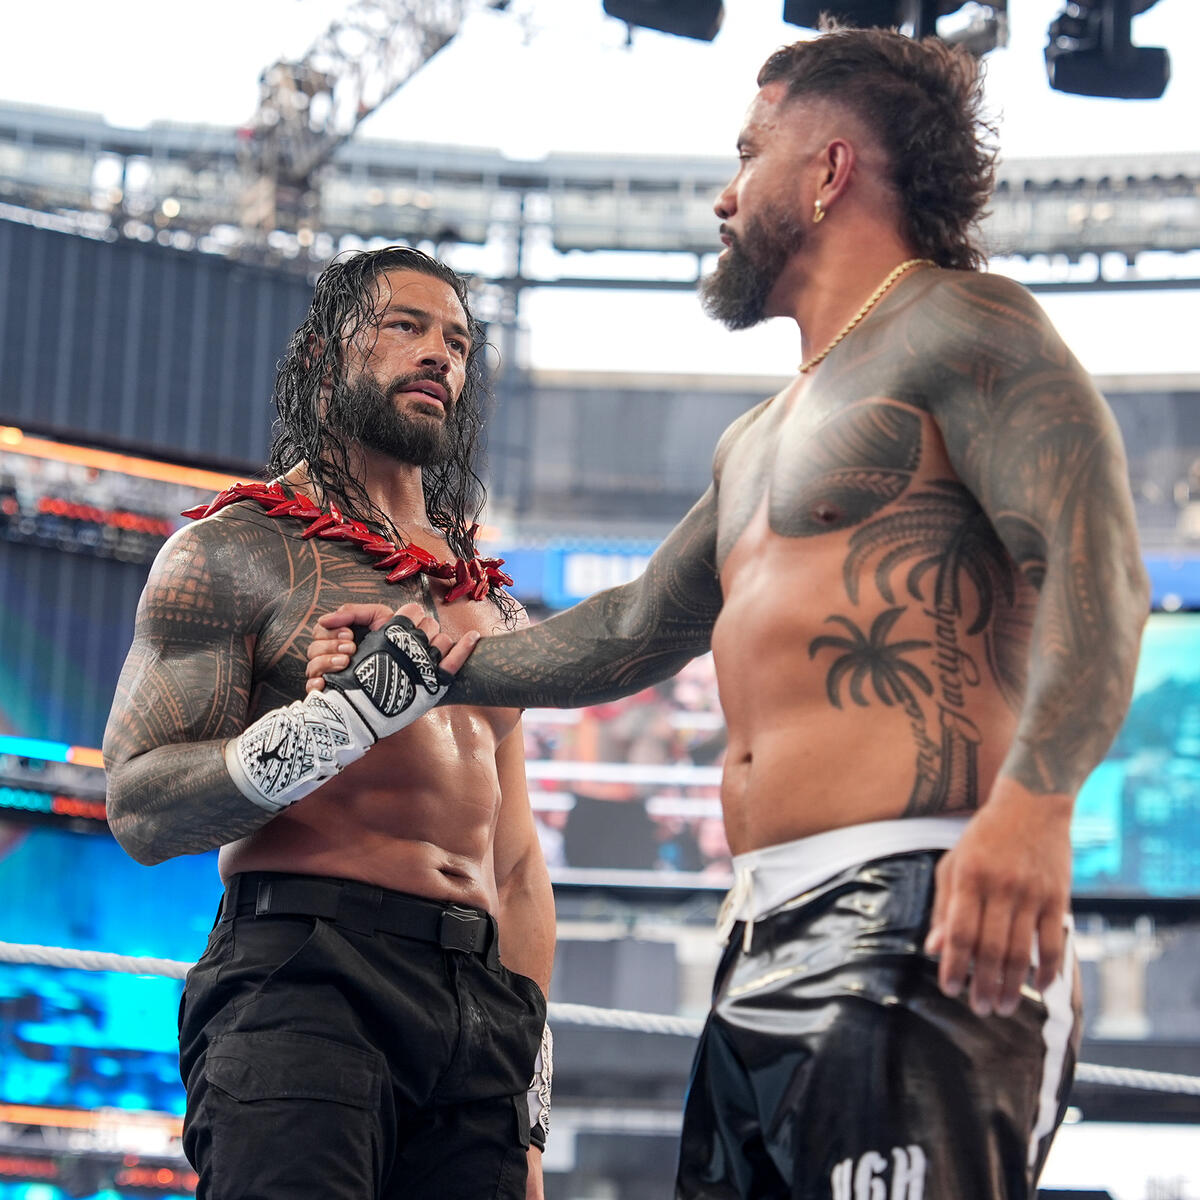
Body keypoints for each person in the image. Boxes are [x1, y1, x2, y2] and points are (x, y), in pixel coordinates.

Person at [305, 26, 1150, 1200]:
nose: (724, 193)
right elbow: (633, 627)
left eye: (750, 152)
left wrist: (1035, 813)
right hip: (758, 935)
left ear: (830, 170)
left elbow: (1099, 572)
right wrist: (440, 660)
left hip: (921, 910)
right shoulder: (757, 437)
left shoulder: (972, 328)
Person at [103, 246, 555, 1200]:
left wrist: (531, 1114)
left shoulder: (489, 604)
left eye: (457, 341)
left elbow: (516, 869)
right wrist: (333, 726)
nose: (438, 354)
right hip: (306, 976)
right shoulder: (234, 552)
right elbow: (140, 808)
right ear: (321, 354)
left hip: (480, 1020)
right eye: (405, 326)